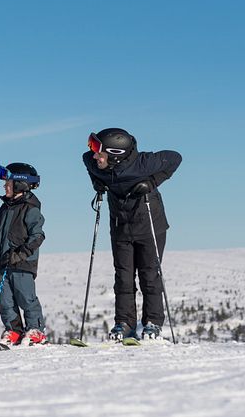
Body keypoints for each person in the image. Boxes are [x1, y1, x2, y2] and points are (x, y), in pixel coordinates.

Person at [82, 128, 182, 341]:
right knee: (123, 278)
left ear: (115, 153)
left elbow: (175, 158)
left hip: (150, 225)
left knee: (150, 276)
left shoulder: (143, 163)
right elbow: (86, 160)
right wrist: (96, 181)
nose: (93, 155)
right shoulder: (96, 164)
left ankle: (152, 323)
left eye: (98, 150)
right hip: (120, 227)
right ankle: (124, 323)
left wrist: (152, 182)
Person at [0, 162, 47, 346]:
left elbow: (38, 236)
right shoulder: (4, 208)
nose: (5, 186)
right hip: (4, 262)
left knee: (25, 297)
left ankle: (35, 330)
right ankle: (14, 330)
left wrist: (21, 254)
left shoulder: (30, 208)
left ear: (20, 184)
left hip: (22, 264)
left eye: (8, 183)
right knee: (4, 300)